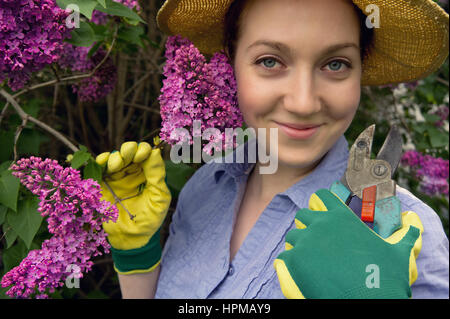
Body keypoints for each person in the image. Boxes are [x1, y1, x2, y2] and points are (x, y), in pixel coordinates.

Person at [97, 0, 449, 298]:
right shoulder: (204, 187)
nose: (303, 102)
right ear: (231, 62)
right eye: (270, 61)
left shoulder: (406, 232)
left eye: (335, 64)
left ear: (359, 71)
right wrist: (137, 256)